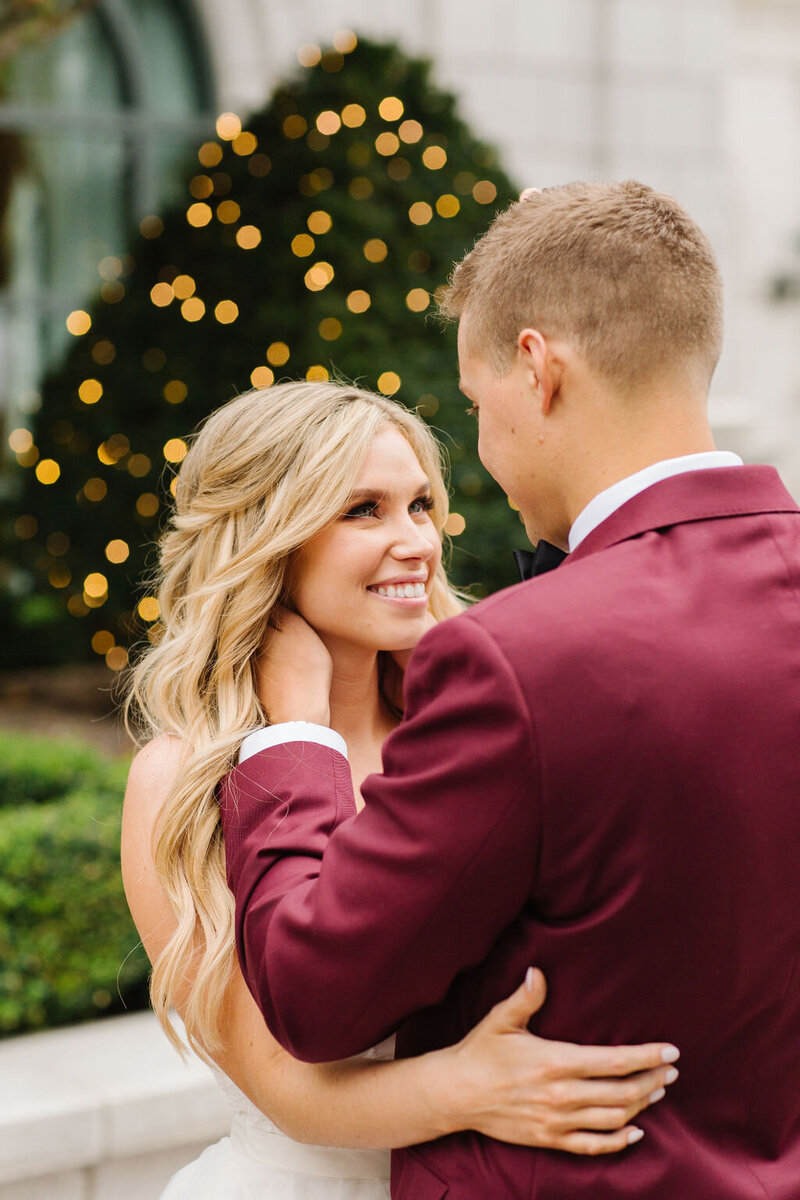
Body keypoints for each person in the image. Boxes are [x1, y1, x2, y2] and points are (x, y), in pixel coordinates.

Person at [218, 181, 800, 1200]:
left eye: (476, 407)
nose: (481, 457)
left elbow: (315, 994)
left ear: (537, 369)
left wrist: (291, 745)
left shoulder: (516, 659)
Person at [120, 380, 679, 1200]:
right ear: (268, 542)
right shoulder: (181, 781)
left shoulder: (480, 734)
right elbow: (288, 1092)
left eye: (420, 506)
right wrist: (474, 1088)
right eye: (363, 511)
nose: (416, 541)